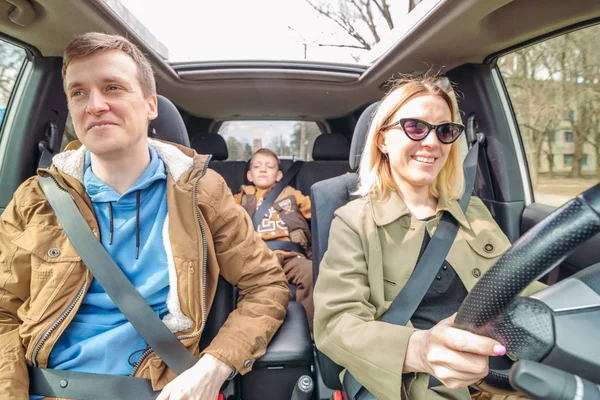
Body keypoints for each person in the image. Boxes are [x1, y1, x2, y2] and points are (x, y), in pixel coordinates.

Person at [0, 32, 290, 400]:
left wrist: (214, 366)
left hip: (159, 388)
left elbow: (266, 286)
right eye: (78, 93)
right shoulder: (34, 199)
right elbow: (2, 312)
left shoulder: (202, 192)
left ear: (151, 105)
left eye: (113, 88)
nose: (95, 104)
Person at [313, 76, 546, 400]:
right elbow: (336, 324)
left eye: (445, 131)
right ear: (382, 140)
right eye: (415, 127)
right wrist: (418, 348)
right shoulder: (354, 222)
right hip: (418, 386)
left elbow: (518, 283)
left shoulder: (473, 210)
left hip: (506, 377)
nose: (432, 143)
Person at [234, 148, 314, 333]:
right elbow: (220, 210)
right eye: (257, 166)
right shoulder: (241, 197)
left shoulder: (291, 194)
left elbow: (317, 205)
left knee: (310, 272)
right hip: (257, 256)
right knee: (246, 284)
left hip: (290, 255)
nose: (263, 169)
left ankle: (310, 333)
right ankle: (246, 331)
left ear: (278, 175)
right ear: (249, 175)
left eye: (269, 167)